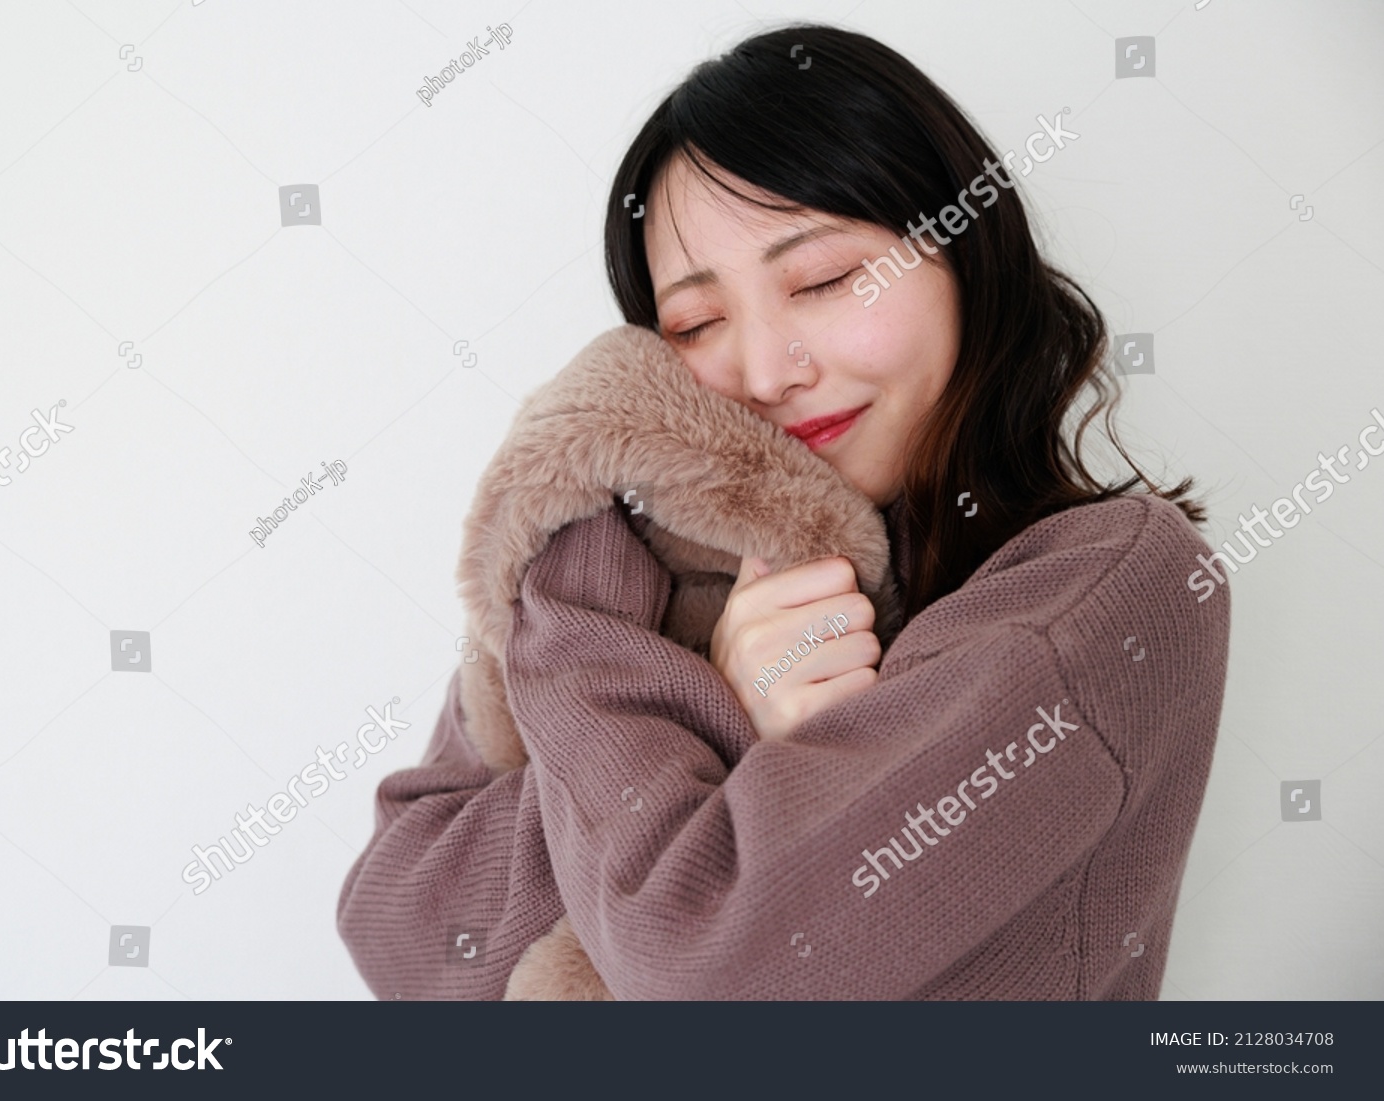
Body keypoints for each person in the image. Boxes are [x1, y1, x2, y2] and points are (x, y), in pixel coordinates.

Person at [337, 23, 1231, 1000]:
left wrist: (641, 687)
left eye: (824, 281)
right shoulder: (647, 554)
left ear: (964, 251)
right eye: (696, 323)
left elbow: (720, 966)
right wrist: (605, 525)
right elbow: (400, 937)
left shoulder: (1114, 588)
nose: (768, 373)